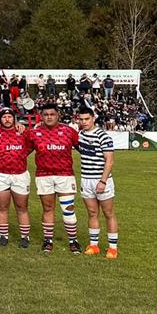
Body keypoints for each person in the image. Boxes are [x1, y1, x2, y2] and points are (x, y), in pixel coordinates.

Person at [29, 106, 81, 254]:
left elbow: (83, 149)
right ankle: (48, 240)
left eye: (52, 114)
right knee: (48, 208)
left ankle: (73, 240)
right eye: (46, 114)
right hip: (43, 176)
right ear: (41, 116)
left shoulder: (69, 131)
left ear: (58, 115)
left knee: (68, 209)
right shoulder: (34, 133)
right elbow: (23, 151)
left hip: (65, 175)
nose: (49, 117)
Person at [75, 110, 118, 258]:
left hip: (101, 180)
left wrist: (103, 181)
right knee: (92, 213)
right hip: (86, 179)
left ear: (93, 118)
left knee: (108, 213)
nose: (84, 122)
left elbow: (109, 161)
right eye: (81, 119)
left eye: (87, 119)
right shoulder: (80, 135)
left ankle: (113, 248)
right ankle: (94, 246)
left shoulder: (103, 136)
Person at [0, 110, 34, 247]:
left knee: (22, 207)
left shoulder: (23, 131)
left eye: (9, 117)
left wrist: (22, 155)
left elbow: (32, 146)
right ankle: (3, 236)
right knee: (2, 206)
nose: (7, 119)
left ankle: (25, 237)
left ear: (14, 119)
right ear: (0, 119)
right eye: (4, 117)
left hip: (20, 174)